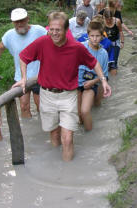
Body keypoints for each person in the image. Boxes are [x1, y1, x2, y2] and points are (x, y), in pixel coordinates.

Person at [13, 11, 112, 161]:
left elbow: (94, 63)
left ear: (66, 30)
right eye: (51, 29)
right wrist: (24, 77)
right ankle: (55, 170)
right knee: (54, 135)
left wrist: (103, 81)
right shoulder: (42, 42)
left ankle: (67, 173)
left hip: (69, 96)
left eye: (58, 30)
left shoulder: (76, 47)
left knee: (67, 139)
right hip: (47, 95)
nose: (54, 33)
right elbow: (23, 57)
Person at [0, 8, 47, 117]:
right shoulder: (9, 35)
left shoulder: (39, 30)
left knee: (41, 107)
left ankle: (43, 130)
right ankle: (29, 132)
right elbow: (0, 48)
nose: (19, 24)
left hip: (39, 75)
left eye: (22, 20)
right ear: (13, 22)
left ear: (27, 19)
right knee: (24, 106)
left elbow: (53, 41)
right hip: (20, 76)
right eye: (16, 22)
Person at [78, 22, 108, 131]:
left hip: (91, 85)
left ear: (102, 36)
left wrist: (93, 82)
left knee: (85, 111)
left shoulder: (103, 53)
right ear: (88, 35)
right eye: (92, 36)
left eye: (97, 36)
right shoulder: (80, 47)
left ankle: (90, 134)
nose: (94, 39)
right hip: (77, 83)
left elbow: (104, 75)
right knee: (79, 116)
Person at [103, 8, 124, 76]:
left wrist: (122, 42)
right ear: (104, 17)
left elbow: (120, 32)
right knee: (105, 62)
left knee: (114, 62)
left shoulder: (117, 21)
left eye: (110, 19)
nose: (108, 21)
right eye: (107, 19)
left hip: (115, 43)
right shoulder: (102, 21)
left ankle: (114, 77)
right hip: (105, 44)